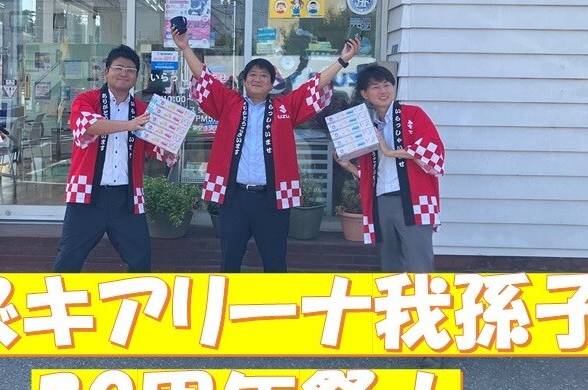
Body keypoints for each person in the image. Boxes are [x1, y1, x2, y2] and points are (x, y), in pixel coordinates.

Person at [171, 27, 361, 272]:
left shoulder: (285, 107)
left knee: (275, 263)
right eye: (252, 74)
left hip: (272, 197)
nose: (257, 79)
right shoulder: (229, 104)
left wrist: (343, 60)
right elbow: (204, 77)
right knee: (229, 262)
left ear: (272, 84)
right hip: (234, 197)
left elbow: (314, 86)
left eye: (264, 75)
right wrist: (185, 47)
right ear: (244, 80)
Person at [53, 45, 177, 273]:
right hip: (87, 194)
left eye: (130, 70)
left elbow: (153, 148)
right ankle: (57, 296)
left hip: (127, 196)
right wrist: (129, 125)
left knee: (140, 258)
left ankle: (138, 297)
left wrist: (170, 146)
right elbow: (88, 126)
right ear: (106, 72)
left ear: (137, 77)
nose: (123, 73)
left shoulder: (143, 109)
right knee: (69, 257)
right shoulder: (86, 100)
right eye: (118, 68)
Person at [334, 65, 445, 273]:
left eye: (387, 85)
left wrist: (389, 150)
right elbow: (372, 174)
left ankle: (422, 296)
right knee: (390, 263)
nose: (383, 91)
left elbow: (434, 150)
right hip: (382, 200)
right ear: (365, 94)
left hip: (414, 199)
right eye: (375, 87)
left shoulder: (413, 114)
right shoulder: (368, 127)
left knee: (419, 263)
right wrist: (348, 165)